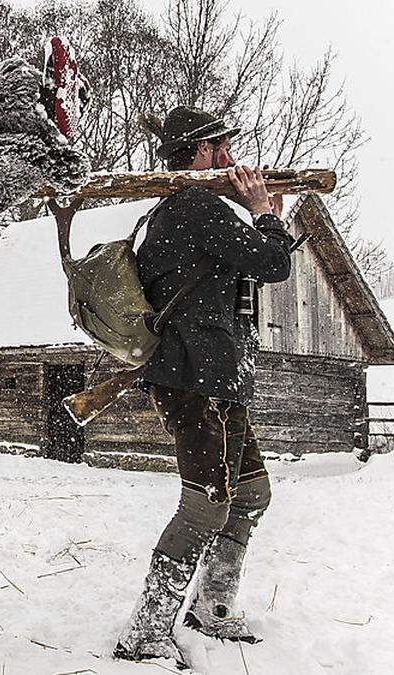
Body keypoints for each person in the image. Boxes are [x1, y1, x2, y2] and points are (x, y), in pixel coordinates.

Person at [114, 106, 295, 666]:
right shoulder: (193, 208)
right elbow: (273, 263)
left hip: (218, 380)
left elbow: (251, 262)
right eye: (220, 145)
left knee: (252, 494)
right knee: (204, 509)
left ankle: (212, 607)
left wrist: (257, 218)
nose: (230, 156)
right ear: (199, 152)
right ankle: (146, 629)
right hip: (197, 381)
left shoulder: (188, 212)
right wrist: (264, 213)